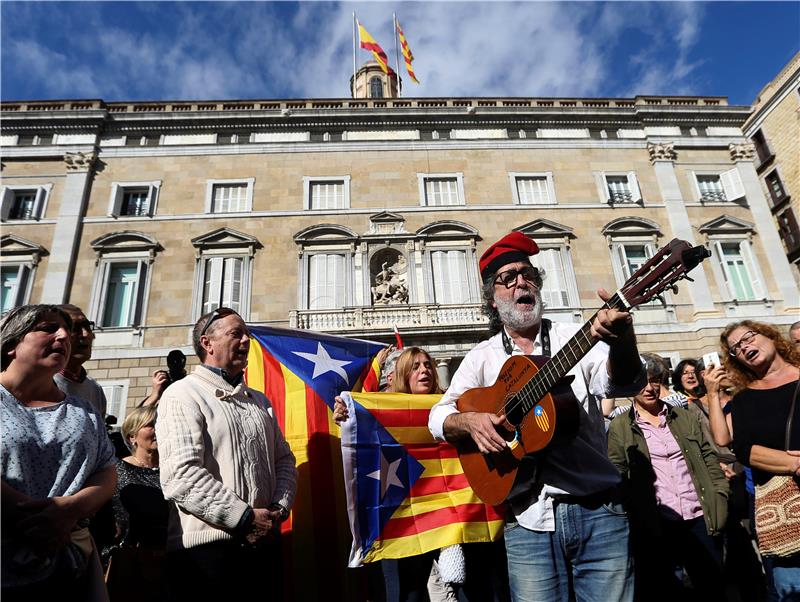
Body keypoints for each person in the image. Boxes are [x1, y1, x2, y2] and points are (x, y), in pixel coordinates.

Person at [428, 231, 646, 602]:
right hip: (526, 517)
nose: (521, 283)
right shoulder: (482, 356)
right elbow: (439, 416)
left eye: (528, 275)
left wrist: (623, 340)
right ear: (493, 301)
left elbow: (622, 382)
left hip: (598, 510)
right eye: (508, 278)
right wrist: (470, 422)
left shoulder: (574, 337)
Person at [156, 307, 297, 600]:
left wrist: (277, 509)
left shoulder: (260, 402)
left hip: (263, 547)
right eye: (237, 333)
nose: (247, 340)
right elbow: (181, 475)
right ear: (207, 343)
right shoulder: (182, 394)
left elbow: (284, 460)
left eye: (247, 334)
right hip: (206, 556)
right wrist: (244, 517)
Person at [334, 347, 471, 601]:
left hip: (451, 516)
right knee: (408, 593)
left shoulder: (453, 407)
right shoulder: (384, 413)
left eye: (428, 365)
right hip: (404, 516)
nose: (425, 371)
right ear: (403, 375)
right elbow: (363, 447)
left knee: (463, 592)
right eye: (416, 366)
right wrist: (348, 416)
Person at [1, 304, 117, 599]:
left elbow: (106, 470)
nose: (64, 336)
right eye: (48, 328)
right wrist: (38, 517)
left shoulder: (85, 411)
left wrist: (70, 509)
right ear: (12, 344)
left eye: (65, 329)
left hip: (65, 568)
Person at [607, 353, 729, 601]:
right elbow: (617, 471)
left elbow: (707, 457)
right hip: (657, 521)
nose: (649, 388)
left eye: (654, 381)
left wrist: (720, 493)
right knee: (666, 590)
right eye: (642, 382)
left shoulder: (682, 415)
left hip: (699, 515)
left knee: (712, 586)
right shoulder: (620, 425)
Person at [719, 320, 800, 601]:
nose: (743, 348)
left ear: (769, 336)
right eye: (736, 349)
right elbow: (743, 449)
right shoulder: (744, 398)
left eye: (747, 338)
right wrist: (794, 464)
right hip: (787, 515)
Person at [106, 405, 168, 601]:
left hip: (170, 560)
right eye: (150, 425)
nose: (157, 429)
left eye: (160, 423)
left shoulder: (176, 470)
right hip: (129, 561)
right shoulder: (115, 470)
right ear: (132, 436)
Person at [53, 304, 107, 416]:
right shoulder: (41, 383)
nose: (85, 334)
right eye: (75, 328)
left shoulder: (95, 390)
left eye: (87, 327)